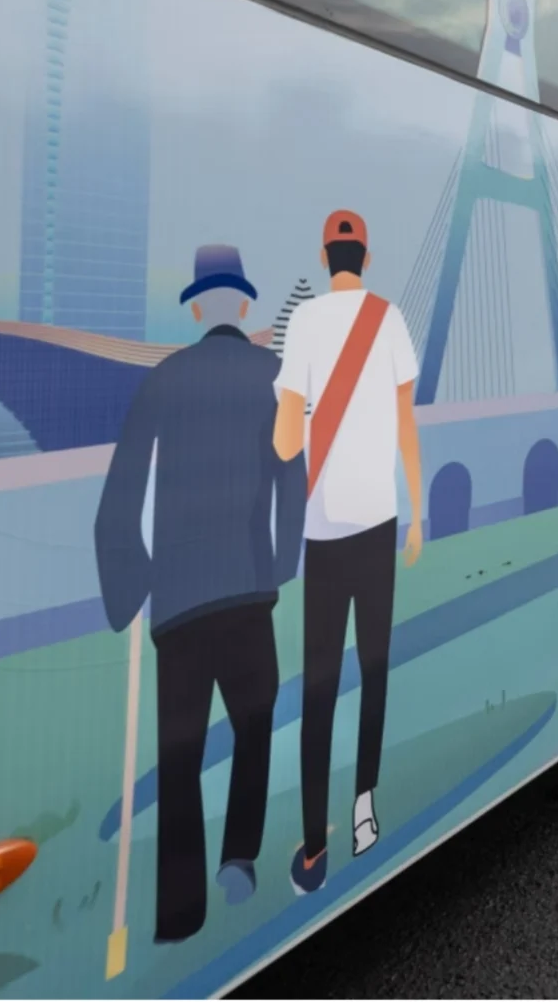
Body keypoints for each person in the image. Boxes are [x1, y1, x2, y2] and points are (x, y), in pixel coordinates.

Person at [93, 244, 305, 943]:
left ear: (195, 306)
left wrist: (131, 582)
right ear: (241, 305)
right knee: (252, 725)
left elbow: (121, 497)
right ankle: (238, 857)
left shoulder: (164, 380)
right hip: (247, 589)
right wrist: (277, 567)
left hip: (178, 601)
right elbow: (290, 480)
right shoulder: (273, 378)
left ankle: (180, 911)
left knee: (179, 753)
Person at [274, 211, 426, 891]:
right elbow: (405, 426)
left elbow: (284, 445)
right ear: (367, 255)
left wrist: (294, 422)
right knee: (375, 667)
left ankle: (313, 847)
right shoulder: (390, 321)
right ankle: (366, 807)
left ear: (324, 252)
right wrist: (418, 513)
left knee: (319, 687)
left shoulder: (304, 323)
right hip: (379, 520)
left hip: (325, 529)